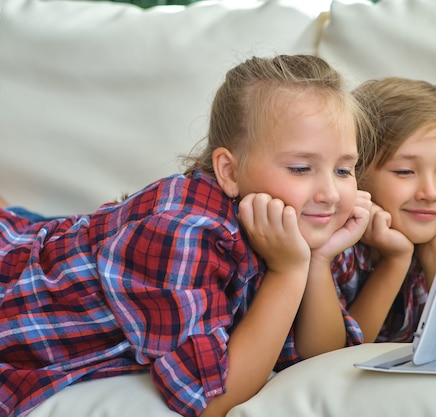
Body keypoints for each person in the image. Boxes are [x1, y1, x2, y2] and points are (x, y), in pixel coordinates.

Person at [0, 54, 372, 417]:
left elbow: (321, 358)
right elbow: (209, 400)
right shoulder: (184, 232)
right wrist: (288, 272)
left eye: (343, 170)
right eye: (301, 167)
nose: (330, 193)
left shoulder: (297, 224)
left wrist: (315, 262)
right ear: (228, 171)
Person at [332, 77, 436, 343]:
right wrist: (396, 260)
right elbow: (340, 352)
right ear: (355, 173)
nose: (429, 193)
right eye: (404, 171)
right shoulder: (336, 248)